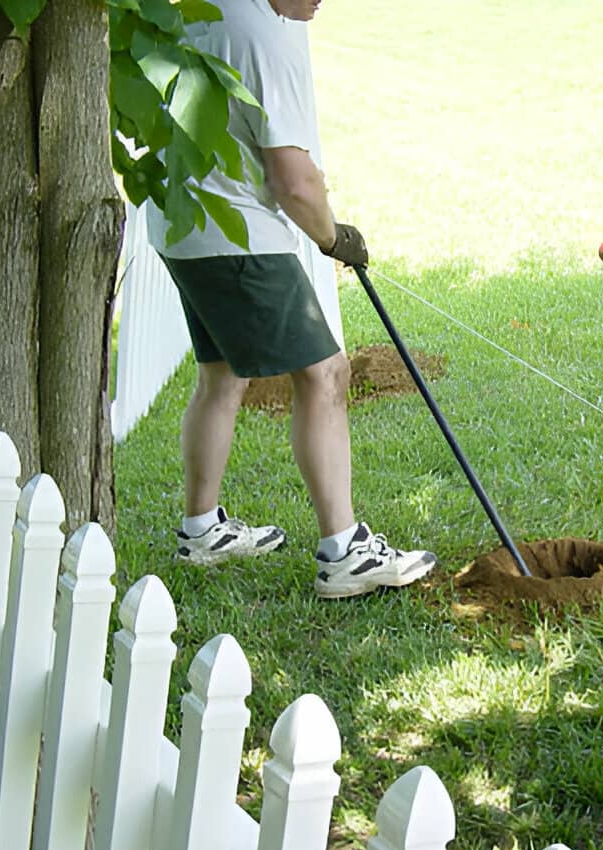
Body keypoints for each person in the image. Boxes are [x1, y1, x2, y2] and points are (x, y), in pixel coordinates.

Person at [146, 0, 436, 599]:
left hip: (182, 224)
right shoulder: (266, 37)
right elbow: (293, 179)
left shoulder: (213, 7)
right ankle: (345, 552)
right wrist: (334, 239)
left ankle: (201, 530)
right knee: (326, 374)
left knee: (220, 376)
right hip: (235, 232)